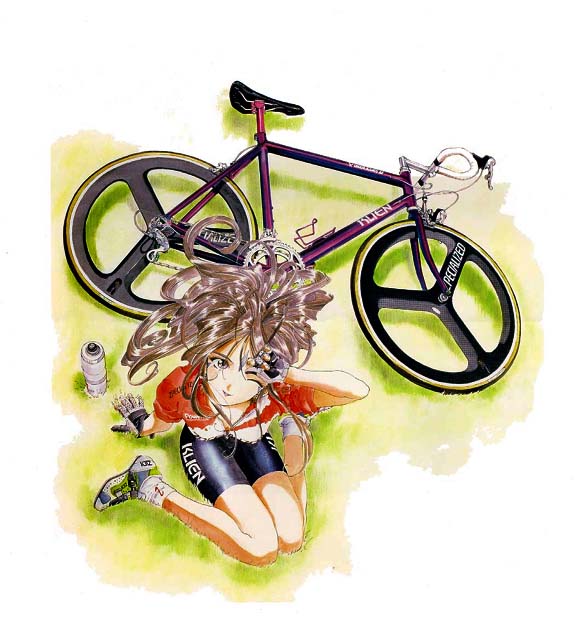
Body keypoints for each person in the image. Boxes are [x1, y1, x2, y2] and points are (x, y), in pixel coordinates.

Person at [94, 219, 369, 566]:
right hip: (206, 445)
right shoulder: (186, 384)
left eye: (246, 368)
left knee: (292, 540)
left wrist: (292, 374)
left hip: (254, 441)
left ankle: (294, 430)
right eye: (219, 363)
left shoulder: (276, 386)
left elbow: (358, 390)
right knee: (260, 549)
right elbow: (160, 421)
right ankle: (150, 486)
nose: (226, 382)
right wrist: (140, 423)